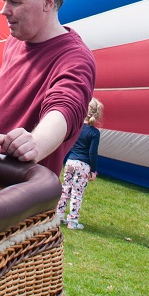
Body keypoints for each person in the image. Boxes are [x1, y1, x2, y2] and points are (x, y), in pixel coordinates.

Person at [0, 0, 96, 176]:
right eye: (4, 1)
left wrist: (35, 143)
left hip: (18, 188)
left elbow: (65, 108)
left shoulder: (75, 59)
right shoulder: (15, 40)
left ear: (47, 1)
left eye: (14, 2)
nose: (4, 11)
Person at [56, 97, 103, 230]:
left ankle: (59, 215)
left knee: (65, 188)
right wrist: (93, 170)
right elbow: (92, 152)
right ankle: (73, 221)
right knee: (77, 193)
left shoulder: (77, 127)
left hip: (70, 162)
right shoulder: (94, 133)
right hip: (83, 165)